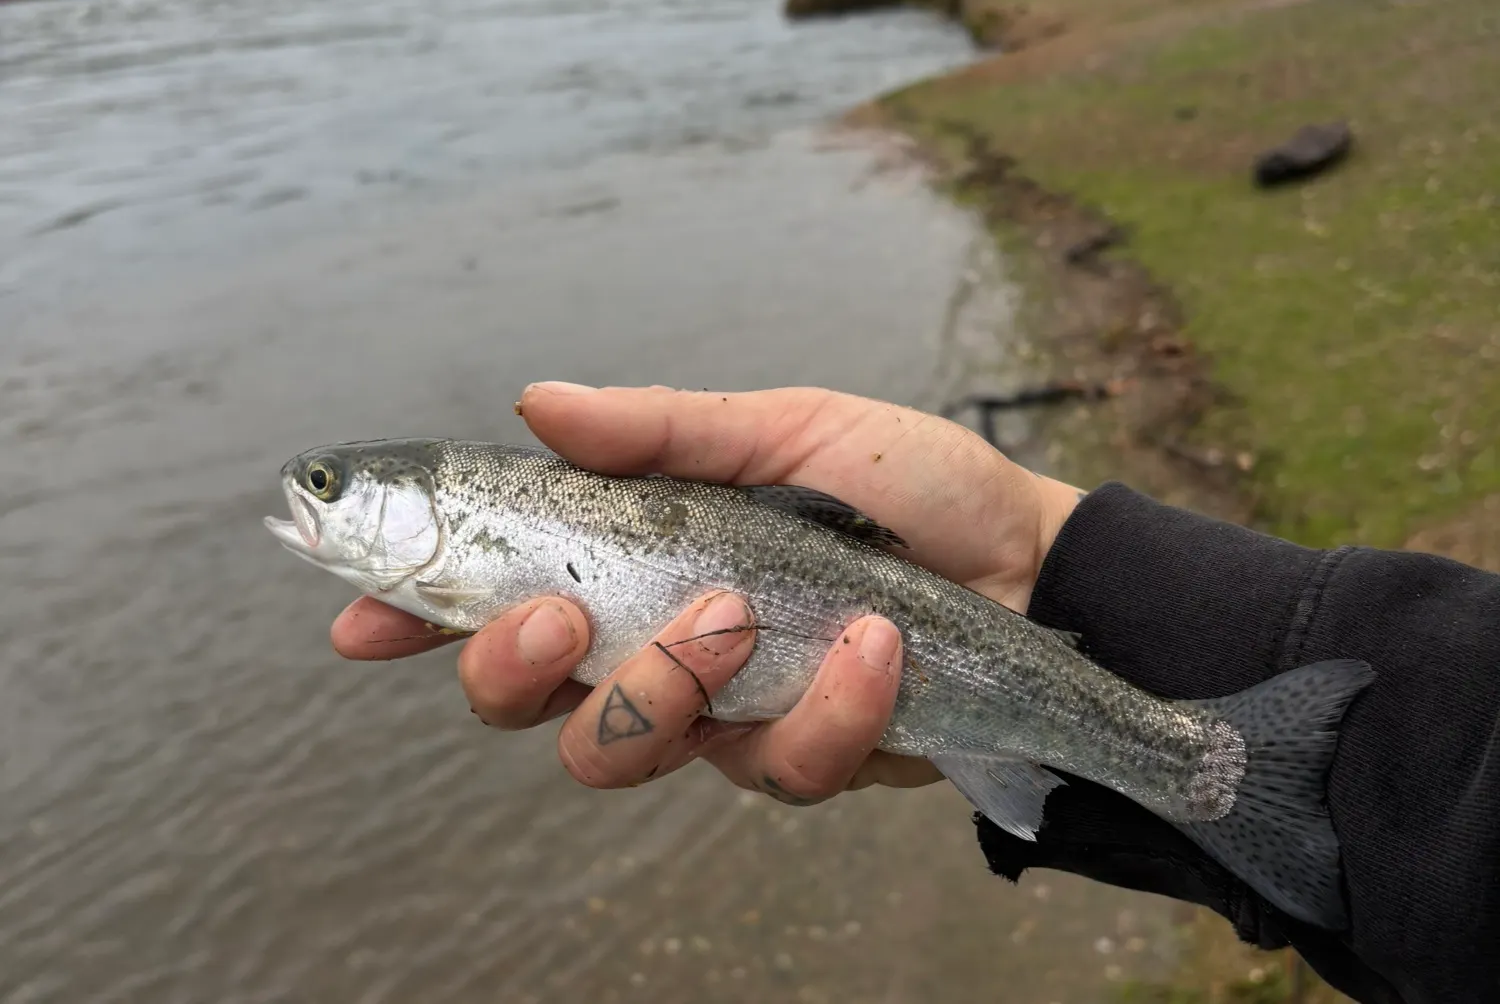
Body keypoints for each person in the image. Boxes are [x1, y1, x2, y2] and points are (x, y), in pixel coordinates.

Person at [331, 383, 1500, 1004]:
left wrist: (1048, 559)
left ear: (417, 508)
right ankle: (1179, 758)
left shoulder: (473, 528)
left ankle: (1187, 760)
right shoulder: (455, 555)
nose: (314, 502)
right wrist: (1055, 559)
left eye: (331, 490)